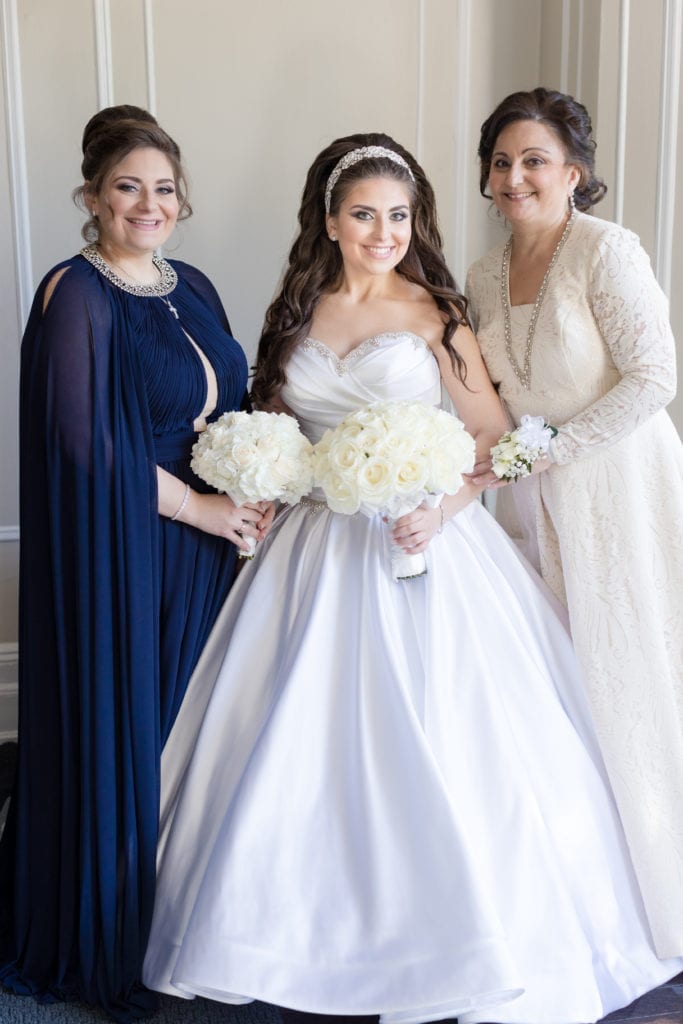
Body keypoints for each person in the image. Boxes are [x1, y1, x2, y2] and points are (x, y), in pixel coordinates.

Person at [142, 133, 682, 1024]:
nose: (383, 233)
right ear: (329, 221)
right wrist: (269, 471)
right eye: (363, 214)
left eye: (398, 216)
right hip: (313, 550)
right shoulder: (296, 313)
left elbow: (485, 440)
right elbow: (278, 426)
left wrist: (440, 507)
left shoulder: (438, 312)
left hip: (422, 540)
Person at [0, 105, 272, 1021]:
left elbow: (226, 404)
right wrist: (200, 506)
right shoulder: (73, 293)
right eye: (126, 187)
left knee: (197, 738)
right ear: (91, 197)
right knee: (138, 733)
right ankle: (114, 932)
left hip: (209, 550)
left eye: (162, 188)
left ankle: (193, 925)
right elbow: (87, 445)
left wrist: (254, 486)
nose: (146, 203)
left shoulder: (188, 282)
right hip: (130, 547)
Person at [465, 86, 683, 960]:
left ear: (573, 172)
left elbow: (653, 378)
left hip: (618, 493)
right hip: (528, 508)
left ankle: (661, 897)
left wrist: (550, 450)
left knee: (630, 682)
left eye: (534, 160)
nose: (514, 177)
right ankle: (589, 905)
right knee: (558, 689)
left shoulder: (605, 251)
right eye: (501, 161)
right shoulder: (479, 275)